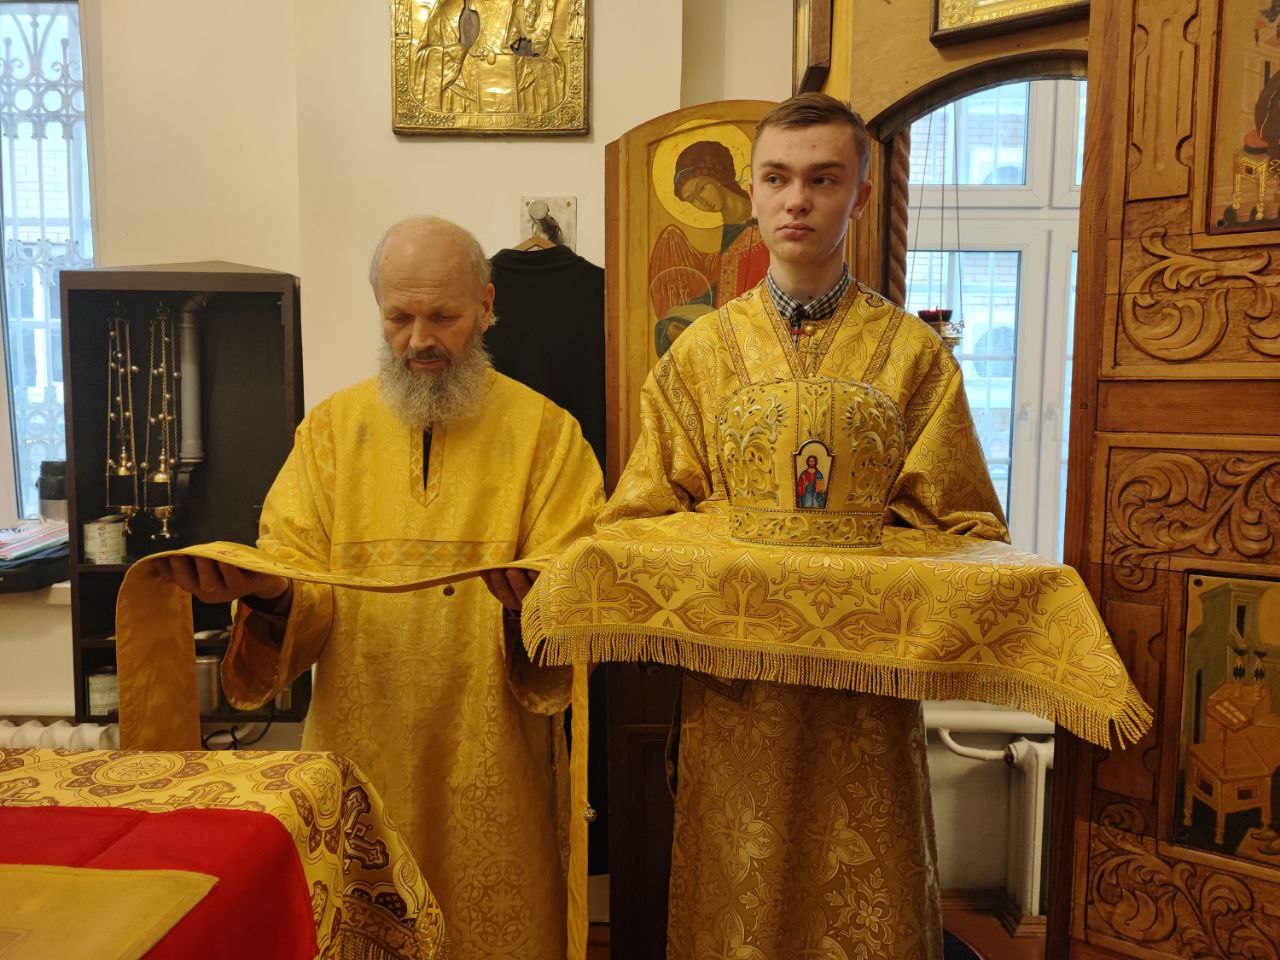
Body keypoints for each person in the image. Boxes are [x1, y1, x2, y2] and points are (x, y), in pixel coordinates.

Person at [601, 93, 1008, 959]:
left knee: (860, 890)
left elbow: (965, 524)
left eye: (824, 180)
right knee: (737, 888)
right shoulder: (700, 354)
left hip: (862, 695)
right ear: (750, 191)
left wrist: (854, 553)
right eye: (778, 179)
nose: (798, 201)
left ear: (860, 195)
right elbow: (641, 517)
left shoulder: (911, 355)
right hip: (736, 688)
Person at [157, 216, 604, 960]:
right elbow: (294, 572)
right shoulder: (331, 433)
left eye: (443, 316)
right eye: (400, 317)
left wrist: (534, 603)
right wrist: (265, 593)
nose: (420, 340)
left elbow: (576, 592)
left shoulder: (547, 436)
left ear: (486, 306)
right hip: (360, 755)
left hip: (492, 759)